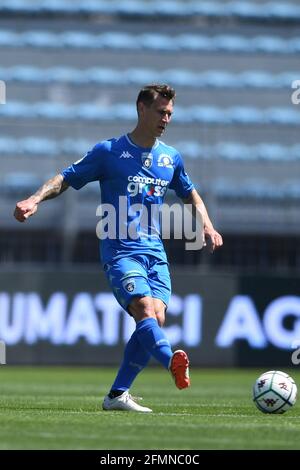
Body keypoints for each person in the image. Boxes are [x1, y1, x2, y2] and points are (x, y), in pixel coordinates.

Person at [14, 84, 223, 413]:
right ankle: (172, 361)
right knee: (144, 309)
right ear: (141, 109)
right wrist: (34, 198)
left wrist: (207, 225)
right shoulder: (108, 151)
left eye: (170, 113)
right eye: (160, 112)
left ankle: (116, 396)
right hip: (120, 249)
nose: (166, 119)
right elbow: (65, 177)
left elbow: (190, 192)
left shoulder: (170, 157)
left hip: (155, 253)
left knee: (157, 316)